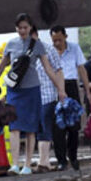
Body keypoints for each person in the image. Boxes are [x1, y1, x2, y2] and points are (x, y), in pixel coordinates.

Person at [0, 13, 64, 176]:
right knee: (14, 126)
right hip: (14, 89)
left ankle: (27, 164)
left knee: (31, 127)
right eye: (19, 28)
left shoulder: (38, 45)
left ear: (30, 27)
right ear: (16, 28)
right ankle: (14, 164)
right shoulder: (11, 44)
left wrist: (60, 88)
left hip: (32, 89)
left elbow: (48, 68)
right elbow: (2, 65)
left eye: (25, 27)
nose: (22, 30)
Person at [50, 25, 91, 171]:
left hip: (71, 86)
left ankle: (73, 157)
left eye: (60, 40)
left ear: (65, 37)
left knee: (74, 126)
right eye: (54, 40)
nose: (57, 43)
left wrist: (88, 91)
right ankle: (61, 160)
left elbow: (82, 69)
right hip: (55, 87)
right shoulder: (49, 51)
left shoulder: (74, 48)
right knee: (58, 127)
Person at [33, 27, 64, 172]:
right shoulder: (23, 50)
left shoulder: (48, 49)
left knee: (44, 127)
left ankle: (43, 161)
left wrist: (61, 90)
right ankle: (43, 161)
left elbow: (58, 70)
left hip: (47, 94)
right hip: (31, 95)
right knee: (36, 128)